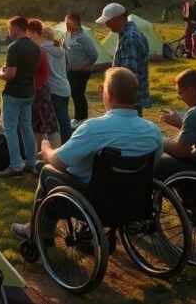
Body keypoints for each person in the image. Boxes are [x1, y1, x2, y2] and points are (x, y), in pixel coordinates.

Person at [9, 67, 164, 241]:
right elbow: (154, 163)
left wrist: (46, 149)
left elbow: (59, 162)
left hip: (96, 203)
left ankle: (37, 230)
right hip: (134, 201)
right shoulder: (152, 131)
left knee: (47, 171)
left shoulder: (94, 128)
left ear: (109, 94)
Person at [0, 16, 40, 178]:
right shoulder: (35, 47)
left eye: (9, 28)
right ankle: (31, 163)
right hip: (28, 92)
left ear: (16, 28)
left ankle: (15, 166)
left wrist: (1, 72)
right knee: (27, 128)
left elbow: (10, 75)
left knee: (11, 129)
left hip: (14, 93)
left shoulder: (14, 47)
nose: (9, 31)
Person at [97, 3, 151, 116]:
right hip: (131, 96)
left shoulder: (129, 37)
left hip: (126, 98)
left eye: (108, 21)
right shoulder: (130, 33)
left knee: (127, 129)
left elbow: (127, 74)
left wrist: (110, 85)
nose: (106, 25)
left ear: (119, 18)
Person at [27, 20, 62, 151]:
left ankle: (55, 152)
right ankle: (42, 150)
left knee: (47, 123)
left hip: (44, 87)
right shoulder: (58, 46)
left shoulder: (40, 49)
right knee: (48, 122)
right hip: (57, 85)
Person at [62, 11, 97, 128]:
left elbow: (94, 55)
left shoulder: (84, 38)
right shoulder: (67, 34)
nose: (66, 25)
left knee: (78, 94)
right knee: (74, 93)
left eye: (69, 23)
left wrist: (83, 66)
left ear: (76, 23)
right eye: (65, 22)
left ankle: (82, 118)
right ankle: (78, 118)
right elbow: (64, 47)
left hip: (82, 72)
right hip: (70, 70)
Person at [41, 25, 73, 144]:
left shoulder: (43, 49)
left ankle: (66, 145)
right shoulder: (59, 47)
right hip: (65, 86)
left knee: (61, 120)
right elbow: (67, 66)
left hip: (54, 88)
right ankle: (65, 143)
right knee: (64, 118)